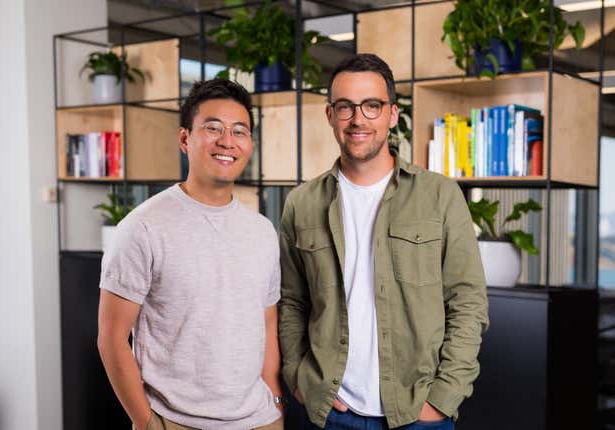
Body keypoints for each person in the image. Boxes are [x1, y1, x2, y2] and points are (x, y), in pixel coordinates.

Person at [278, 54, 489, 430]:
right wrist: (299, 380)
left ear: (392, 114)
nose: (358, 119)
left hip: (419, 414)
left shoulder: (440, 195)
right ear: (330, 115)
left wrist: (443, 397)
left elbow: (468, 302)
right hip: (329, 413)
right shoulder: (302, 203)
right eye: (345, 107)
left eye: (371, 106)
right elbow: (292, 302)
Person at [97, 78, 284, 430]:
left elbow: (267, 321)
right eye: (212, 128)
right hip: (176, 421)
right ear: (185, 138)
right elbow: (110, 336)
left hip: (259, 420)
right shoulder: (143, 227)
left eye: (239, 131)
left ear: (250, 144)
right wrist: (145, 421)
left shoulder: (262, 231)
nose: (227, 141)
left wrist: (274, 398)